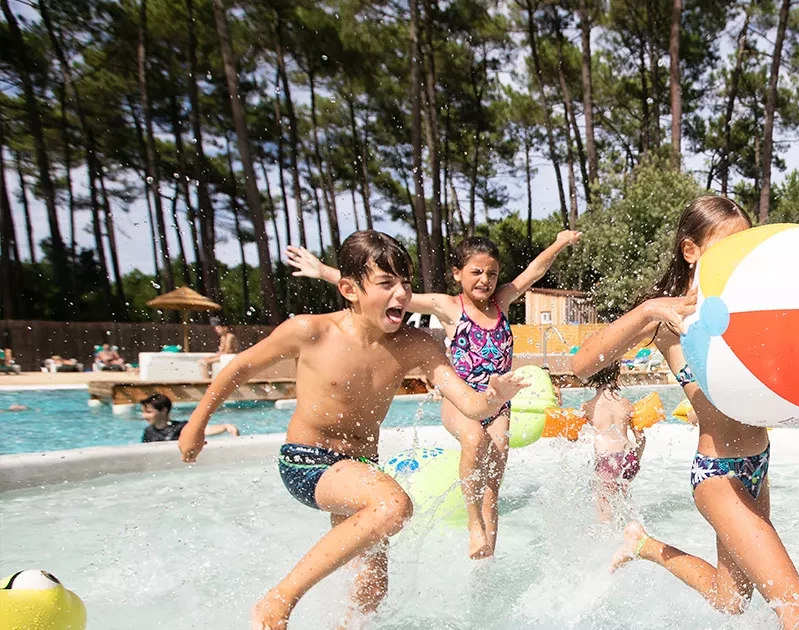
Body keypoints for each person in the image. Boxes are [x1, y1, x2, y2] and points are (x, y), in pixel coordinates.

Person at [178, 230, 528, 629]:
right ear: (349, 289)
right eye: (386, 283)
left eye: (406, 283)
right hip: (308, 461)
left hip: (361, 467)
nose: (401, 294)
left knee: (372, 588)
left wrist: (494, 398)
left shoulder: (416, 344)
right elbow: (239, 367)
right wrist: (196, 425)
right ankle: (277, 600)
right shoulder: (311, 331)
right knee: (392, 506)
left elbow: (470, 403)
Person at [573, 196, 799, 629]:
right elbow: (582, 365)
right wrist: (648, 309)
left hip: (758, 463)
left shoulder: (751, 309)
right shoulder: (669, 319)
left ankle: (642, 545)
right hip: (718, 474)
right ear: (691, 250)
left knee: (730, 599)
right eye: (727, 247)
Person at [286, 229, 581, 559]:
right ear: (457, 274)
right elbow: (387, 294)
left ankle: (487, 552)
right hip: (460, 400)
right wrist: (323, 271)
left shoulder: (502, 301)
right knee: (474, 440)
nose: (485, 280)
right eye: (476, 272)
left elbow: (535, 271)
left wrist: (559, 242)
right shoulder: (448, 306)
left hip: (498, 405)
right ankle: (473, 523)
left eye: (492, 273)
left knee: (492, 485)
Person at [581, 363, 646, 523]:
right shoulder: (626, 403)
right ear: (617, 376)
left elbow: (575, 437)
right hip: (628, 459)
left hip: (607, 461)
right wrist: (636, 459)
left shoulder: (588, 406)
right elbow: (641, 439)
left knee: (604, 509)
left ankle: (608, 535)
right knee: (622, 501)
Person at [139, 393, 237, 443]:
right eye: (143, 412)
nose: (144, 416)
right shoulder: (148, 432)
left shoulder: (180, 427)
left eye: (149, 412)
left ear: (164, 410)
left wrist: (225, 427)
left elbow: (203, 430)